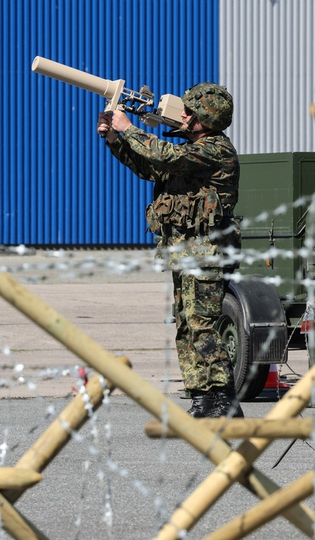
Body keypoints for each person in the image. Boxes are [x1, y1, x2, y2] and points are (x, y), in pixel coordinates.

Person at [96, 83, 244, 418]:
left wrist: (129, 128)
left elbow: (167, 156)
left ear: (205, 119)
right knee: (186, 324)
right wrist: (114, 141)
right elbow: (152, 167)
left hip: (206, 251)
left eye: (190, 112)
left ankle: (224, 397)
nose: (183, 115)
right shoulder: (192, 154)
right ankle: (201, 396)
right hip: (184, 251)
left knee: (202, 323)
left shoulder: (215, 150)